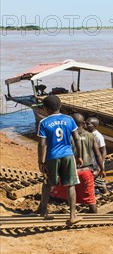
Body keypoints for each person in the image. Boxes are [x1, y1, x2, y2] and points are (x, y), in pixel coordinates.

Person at [37, 95, 83, 225]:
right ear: (60, 106)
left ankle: (43, 211)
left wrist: (41, 161)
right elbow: (77, 139)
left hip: (52, 157)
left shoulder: (44, 122)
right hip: (68, 155)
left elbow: (42, 144)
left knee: (48, 184)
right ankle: (72, 216)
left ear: (45, 109)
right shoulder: (69, 119)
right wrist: (79, 156)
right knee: (70, 185)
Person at [50, 114, 104, 213]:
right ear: (83, 123)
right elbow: (98, 154)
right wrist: (101, 169)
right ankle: (95, 216)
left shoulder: (67, 136)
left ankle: (71, 213)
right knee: (90, 198)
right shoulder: (90, 136)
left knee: (66, 193)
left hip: (71, 170)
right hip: (86, 171)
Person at [85, 117, 108, 193]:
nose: (85, 125)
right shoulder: (88, 133)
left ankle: (102, 186)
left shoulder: (98, 136)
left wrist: (100, 166)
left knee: (91, 179)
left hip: (95, 163)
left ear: (94, 126)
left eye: (88, 124)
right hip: (89, 161)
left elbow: (103, 151)